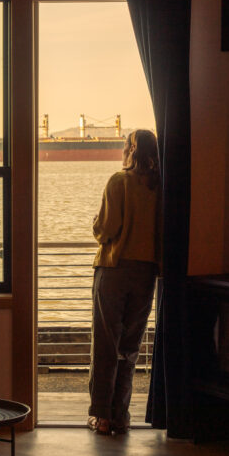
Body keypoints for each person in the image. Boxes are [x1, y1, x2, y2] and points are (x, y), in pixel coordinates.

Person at [87, 129, 161, 435]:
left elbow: (105, 228)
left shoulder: (119, 181)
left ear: (132, 149)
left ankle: (100, 416)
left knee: (106, 343)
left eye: (124, 146)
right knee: (129, 347)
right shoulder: (161, 187)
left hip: (115, 269)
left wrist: (95, 225)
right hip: (146, 274)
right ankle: (121, 414)